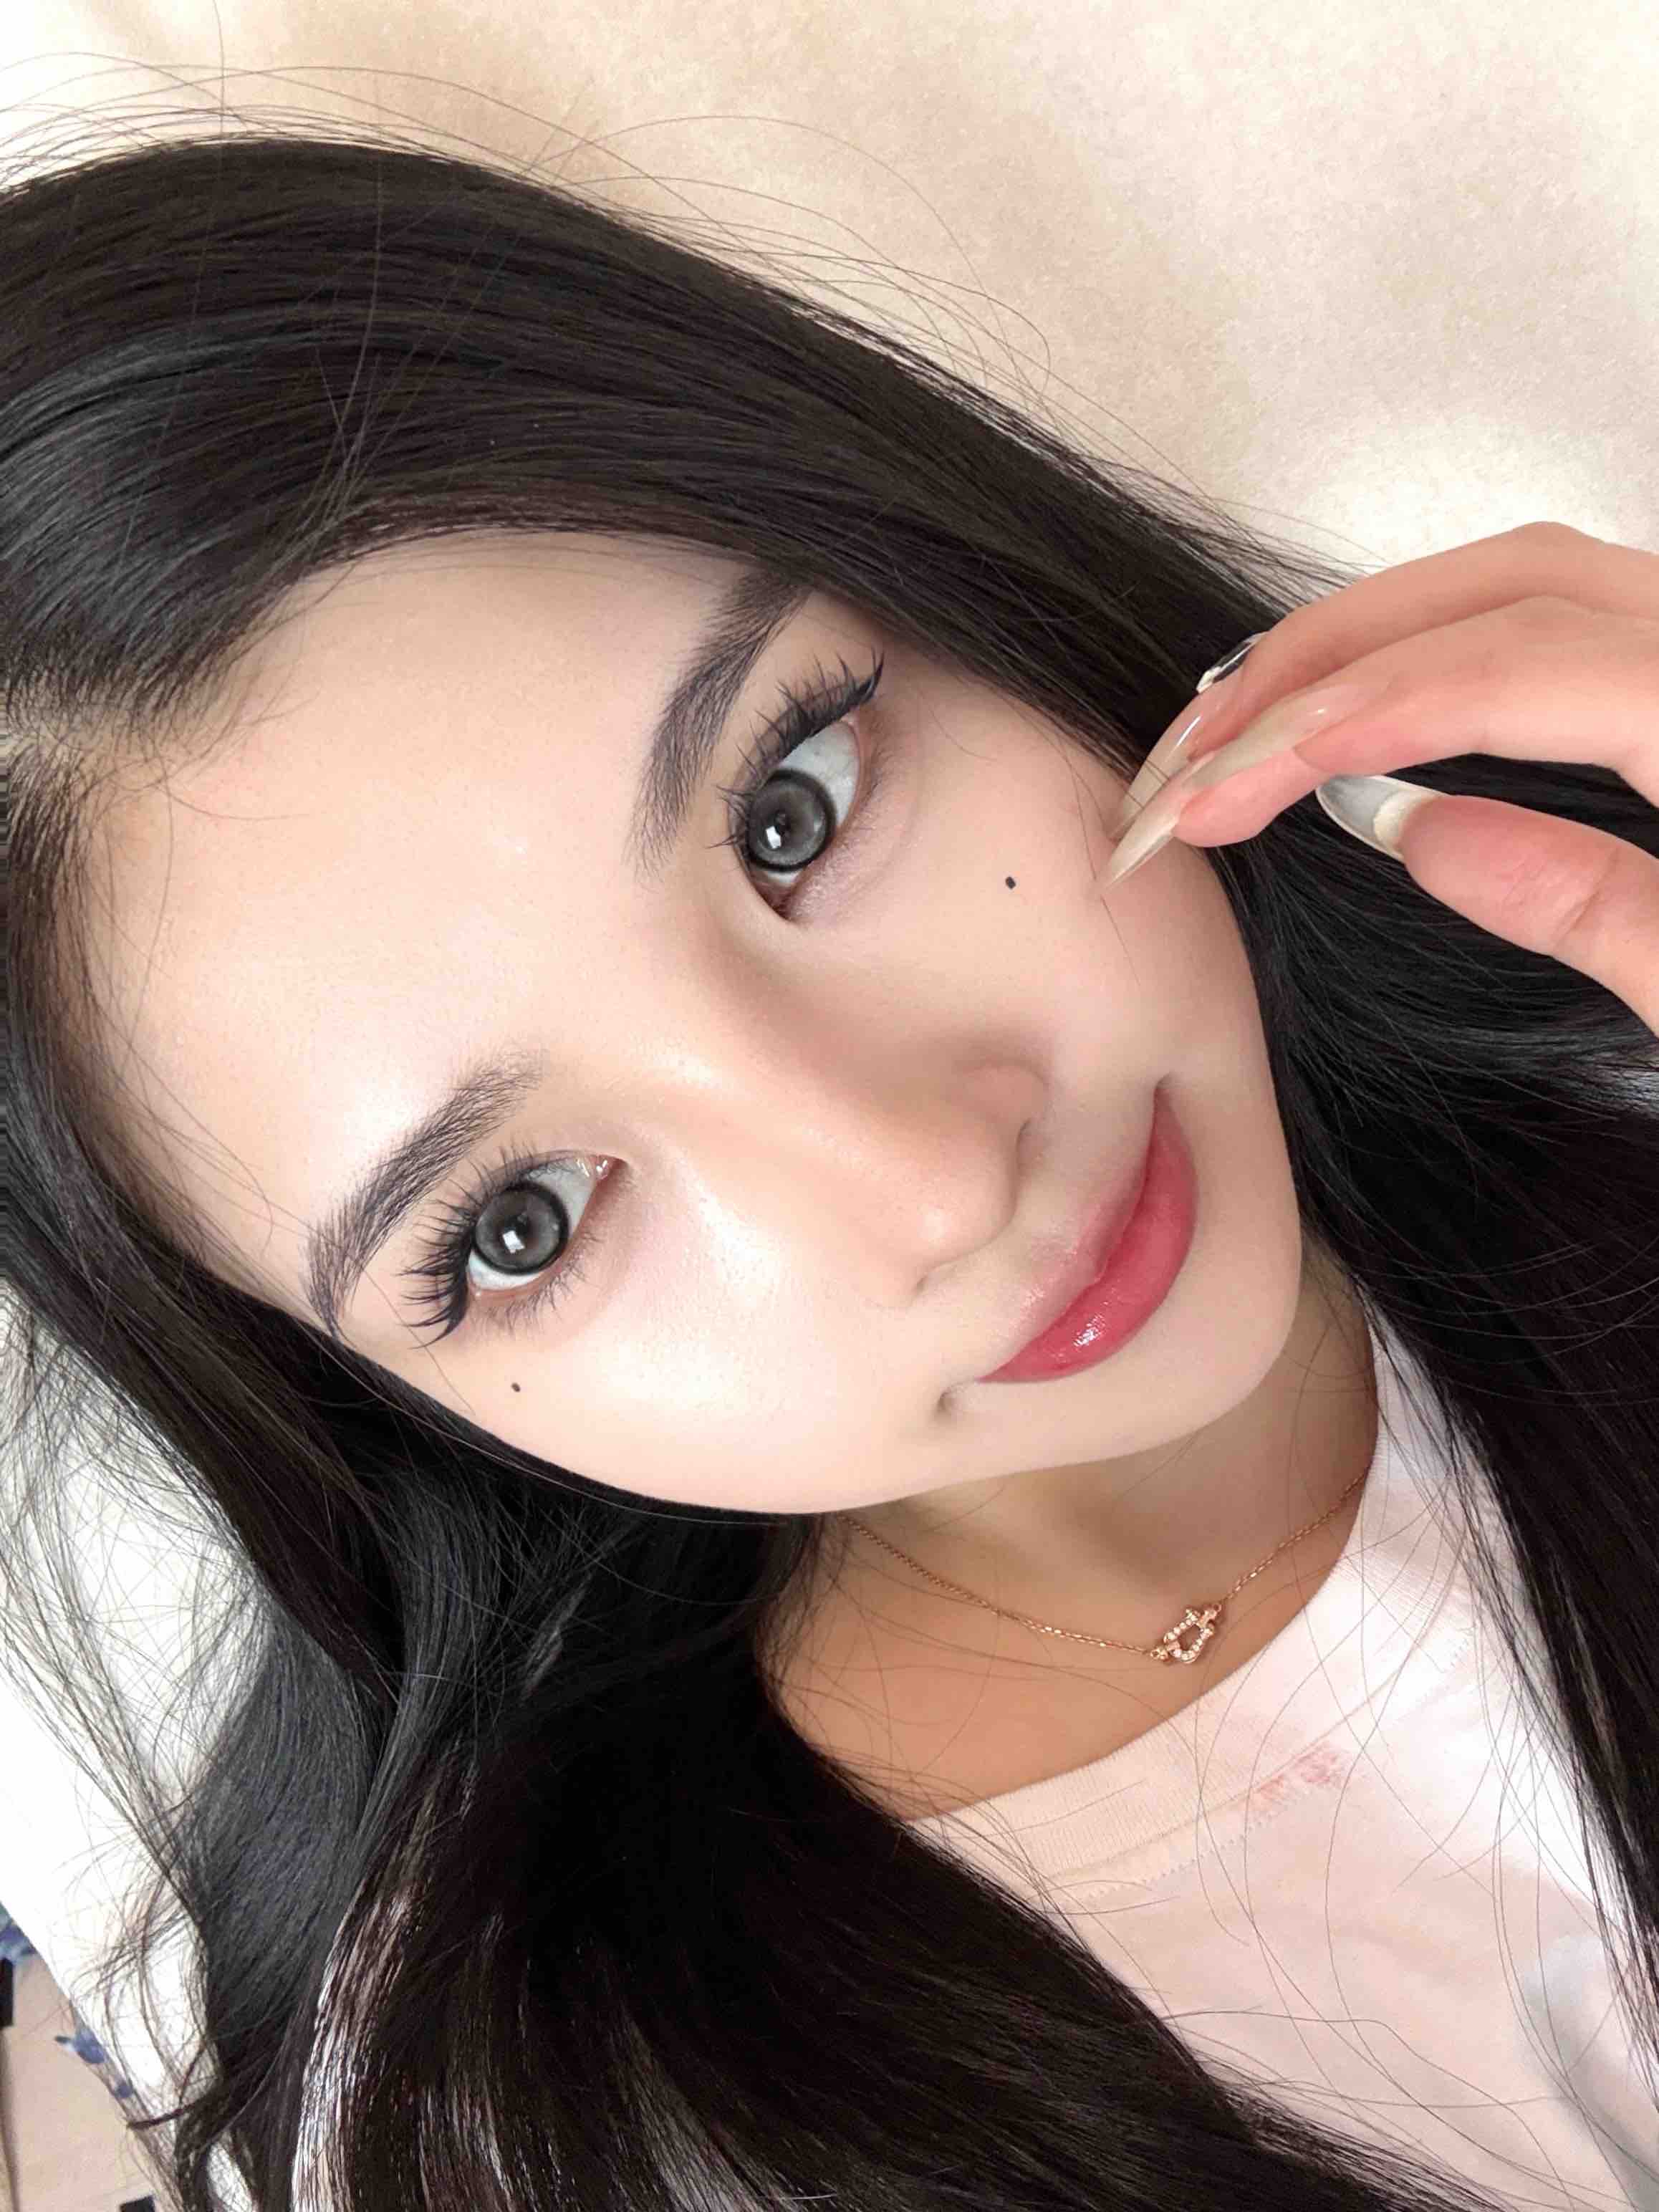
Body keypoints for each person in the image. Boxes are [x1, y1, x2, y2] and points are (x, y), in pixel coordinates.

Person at [4, 123, 1658, 2212]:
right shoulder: (578, 2132)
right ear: (346, 1389)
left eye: (791, 809)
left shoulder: (1609, 1006)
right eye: (523, 1222)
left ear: (955, 577)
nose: (934, 1184)